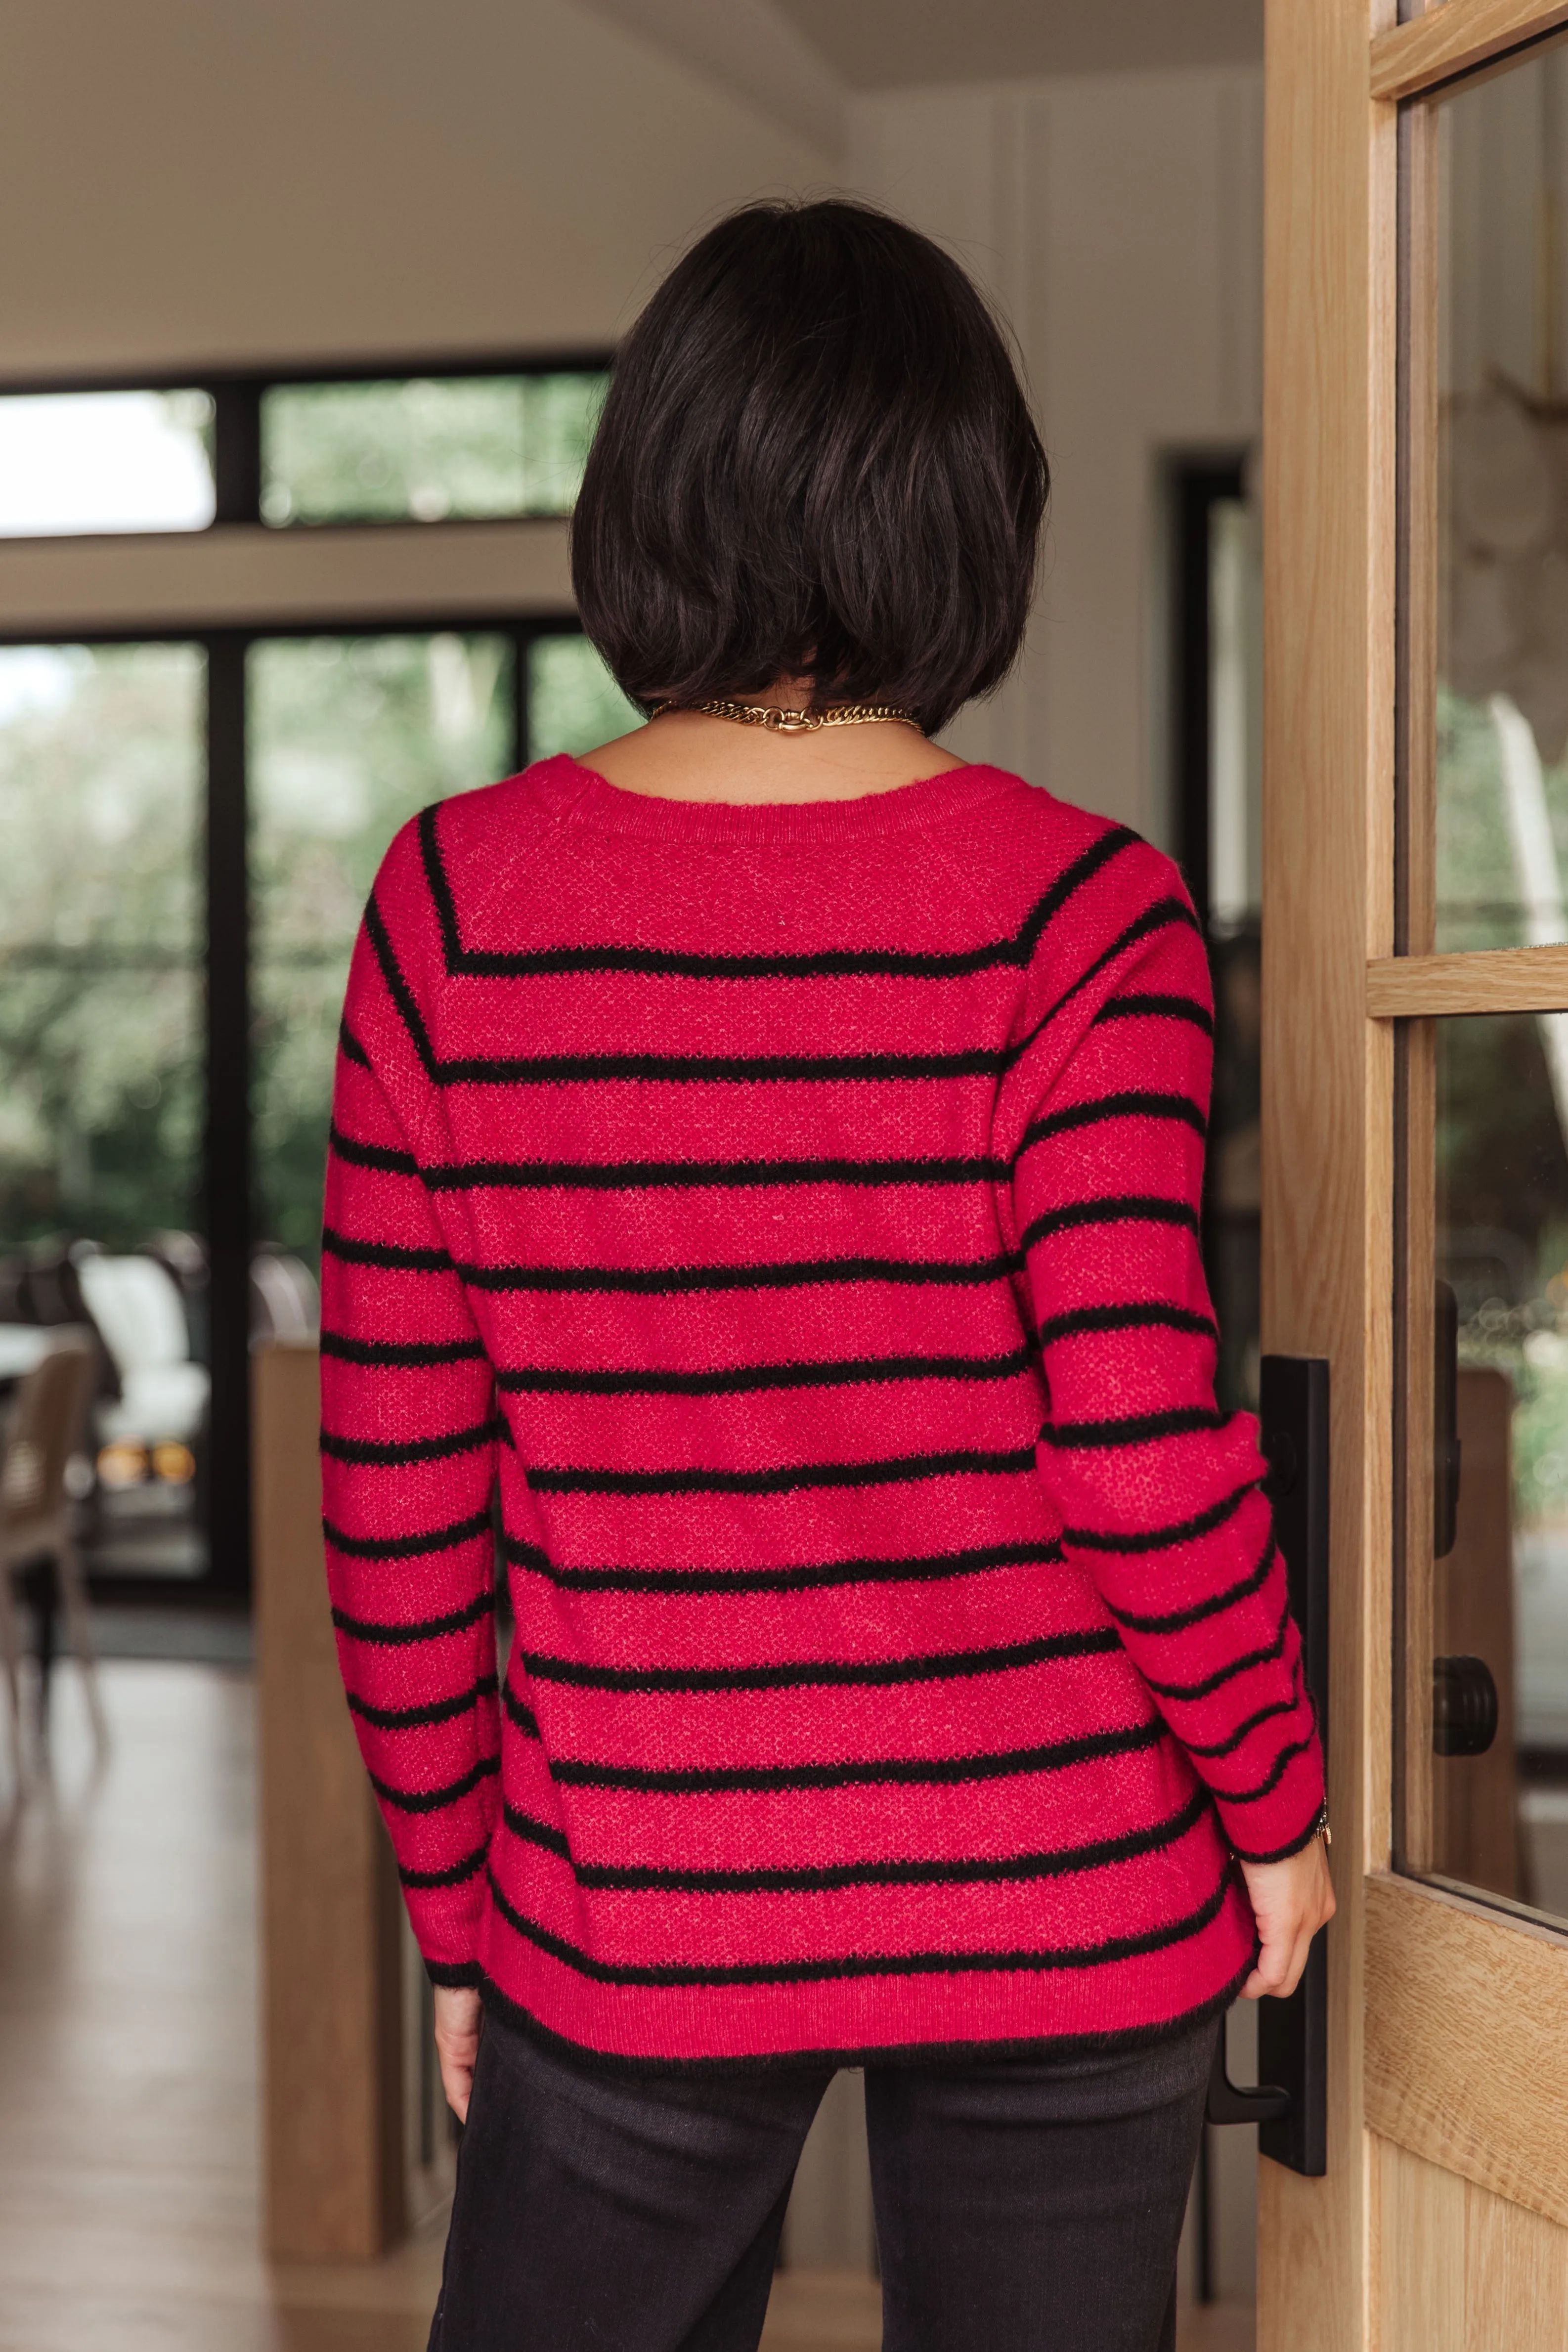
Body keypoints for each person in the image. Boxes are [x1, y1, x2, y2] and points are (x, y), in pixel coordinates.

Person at [319, 197, 1333, 2352]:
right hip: (1065, 1886)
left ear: (647, 500)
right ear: (972, 520)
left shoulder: (455, 913)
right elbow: (1138, 1441)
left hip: (635, 1899)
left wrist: (454, 1907)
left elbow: (398, 1497)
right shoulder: (1086, 915)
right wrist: (1274, 1801)